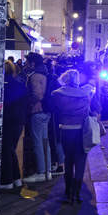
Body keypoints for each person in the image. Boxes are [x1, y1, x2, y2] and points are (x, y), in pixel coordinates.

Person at [51, 69, 92, 204]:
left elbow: (55, 112)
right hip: (81, 131)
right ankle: (77, 194)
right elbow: (91, 110)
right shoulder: (85, 93)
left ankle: (68, 192)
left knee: (68, 161)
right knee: (80, 162)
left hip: (65, 130)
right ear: (77, 79)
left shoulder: (57, 94)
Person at [23, 53, 52, 183]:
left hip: (37, 111)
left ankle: (41, 171)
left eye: (27, 62)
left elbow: (38, 95)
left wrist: (28, 102)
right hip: (45, 111)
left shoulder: (35, 76)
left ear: (33, 63)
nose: (25, 64)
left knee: (38, 143)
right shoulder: (45, 73)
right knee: (45, 142)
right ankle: (47, 171)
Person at [1, 61, 28, 189]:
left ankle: (7, 180)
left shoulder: (2, 85)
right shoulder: (20, 85)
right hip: (18, 120)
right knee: (10, 148)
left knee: (6, 149)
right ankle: (16, 178)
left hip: (7, 120)